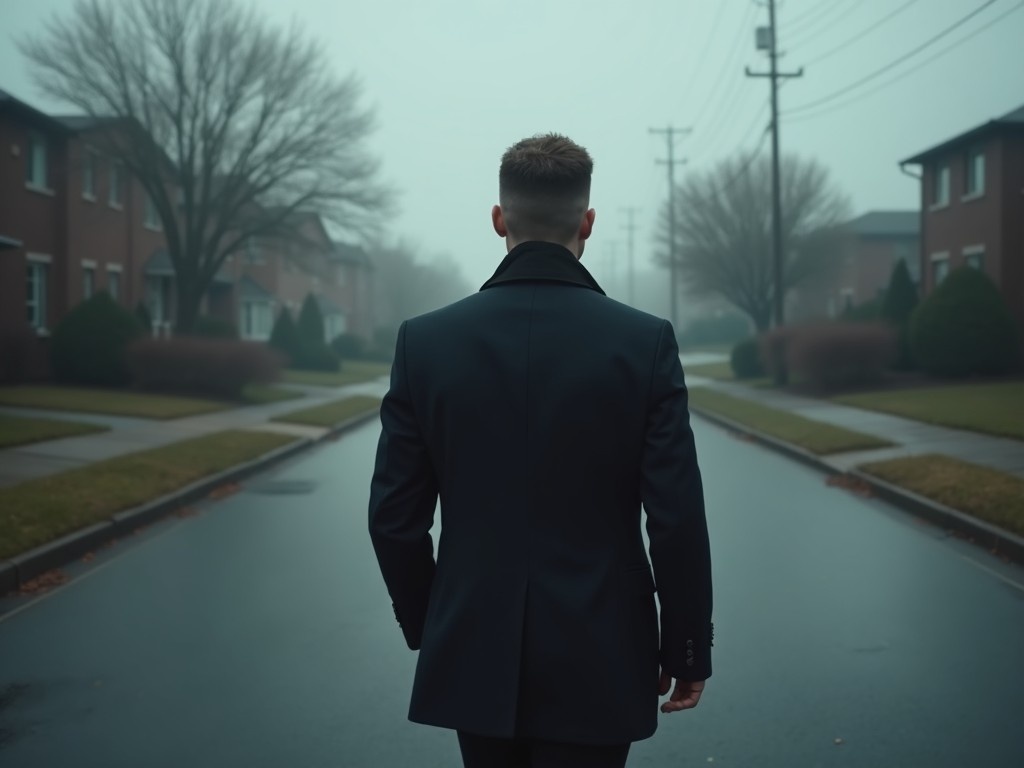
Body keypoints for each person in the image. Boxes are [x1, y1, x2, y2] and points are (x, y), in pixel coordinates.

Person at [368, 133, 712, 768]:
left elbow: (394, 518)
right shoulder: (644, 344)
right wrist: (686, 646)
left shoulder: (426, 343)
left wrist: (433, 622)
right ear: (588, 222)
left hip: (471, 641)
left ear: (499, 219)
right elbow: (676, 517)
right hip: (604, 648)